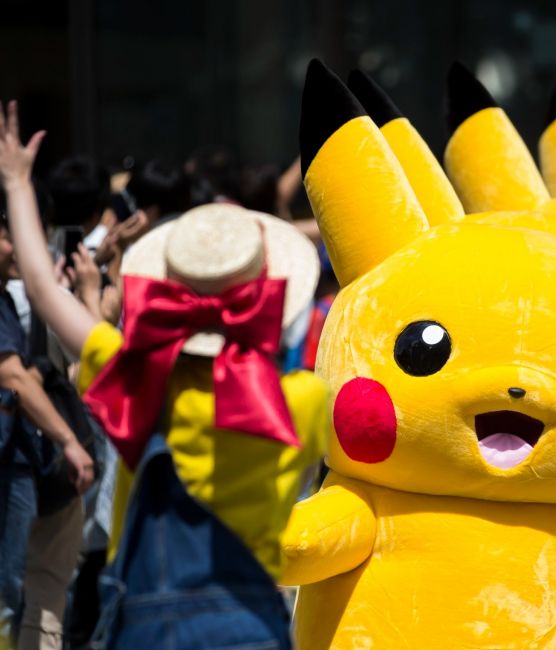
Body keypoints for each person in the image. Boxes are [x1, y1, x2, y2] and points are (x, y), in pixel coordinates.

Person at [1, 99, 329, 649]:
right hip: (251, 623)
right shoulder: (303, 399)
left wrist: (16, 183)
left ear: (168, 289)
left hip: (149, 629)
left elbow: (40, 285)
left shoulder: (135, 373)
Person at [0, 107, 94, 650]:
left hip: (27, 460)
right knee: (39, 595)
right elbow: (86, 365)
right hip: (37, 464)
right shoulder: (291, 402)